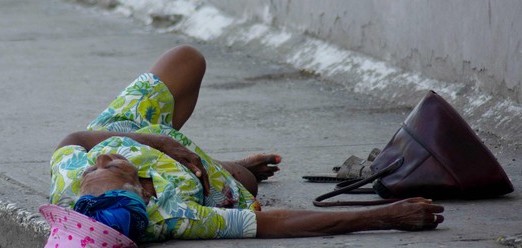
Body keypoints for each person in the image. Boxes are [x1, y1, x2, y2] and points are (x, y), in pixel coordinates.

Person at [47, 45, 444, 243]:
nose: (98, 159)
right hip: (199, 176)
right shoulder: (176, 216)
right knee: (246, 186)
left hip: (131, 127)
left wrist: (158, 142)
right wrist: (386, 216)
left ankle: (192, 151)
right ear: (142, 193)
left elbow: (77, 140)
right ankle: (228, 167)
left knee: (186, 58)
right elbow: (269, 223)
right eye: (108, 167)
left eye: (90, 173)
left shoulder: (72, 186)